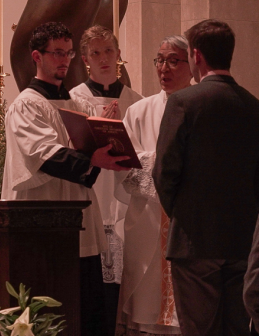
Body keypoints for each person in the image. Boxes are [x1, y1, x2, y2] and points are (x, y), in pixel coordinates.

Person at [1, 21, 130, 336]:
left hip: (80, 220)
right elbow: (44, 153)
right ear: (37, 56)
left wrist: (108, 143)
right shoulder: (27, 105)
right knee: (47, 309)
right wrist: (92, 159)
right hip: (41, 223)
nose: (64, 60)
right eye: (57, 53)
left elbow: (89, 155)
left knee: (85, 310)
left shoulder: (79, 104)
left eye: (68, 54)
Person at [153, 19, 259, 335]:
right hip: (243, 238)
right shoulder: (254, 107)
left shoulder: (183, 102)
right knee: (237, 328)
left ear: (196, 56)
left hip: (194, 240)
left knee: (199, 329)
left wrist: (182, 215)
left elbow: (164, 171)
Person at [117, 35, 192, 336]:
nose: (164, 68)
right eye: (160, 60)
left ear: (192, 65)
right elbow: (127, 167)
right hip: (149, 219)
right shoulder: (138, 111)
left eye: (174, 60)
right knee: (146, 309)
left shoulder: (200, 107)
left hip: (186, 218)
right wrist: (164, 163)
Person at [70, 26, 143, 334]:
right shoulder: (75, 99)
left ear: (118, 55)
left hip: (129, 200)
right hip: (93, 198)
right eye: (95, 53)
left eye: (108, 51)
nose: (103, 58)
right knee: (95, 283)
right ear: (86, 59)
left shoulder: (136, 101)